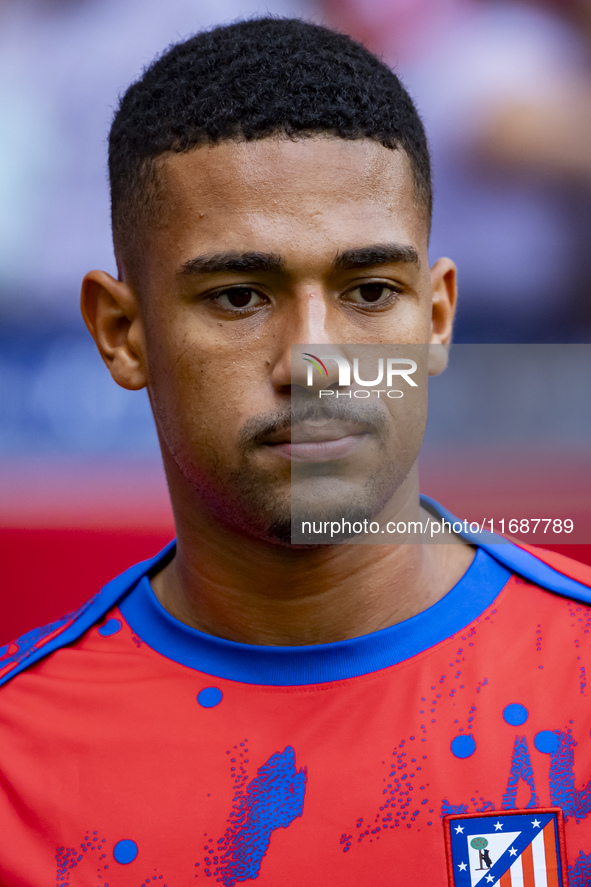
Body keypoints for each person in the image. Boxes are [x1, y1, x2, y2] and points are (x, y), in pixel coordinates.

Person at [0, 17, 590, 887]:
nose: (314, 361)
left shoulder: (575, 679)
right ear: (121, 334)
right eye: (239, 295)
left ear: (435, 318)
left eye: (369, 290)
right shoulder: (19, 753)